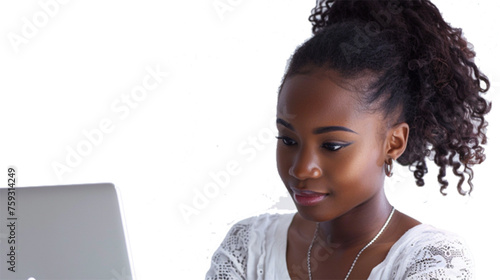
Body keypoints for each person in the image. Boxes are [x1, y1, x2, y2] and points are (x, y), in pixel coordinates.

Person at [205, 0, 490, 279]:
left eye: (331, 146)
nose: (301, 169)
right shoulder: (249, 248)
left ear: (393, 142)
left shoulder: (430, 261)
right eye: (288, 140)